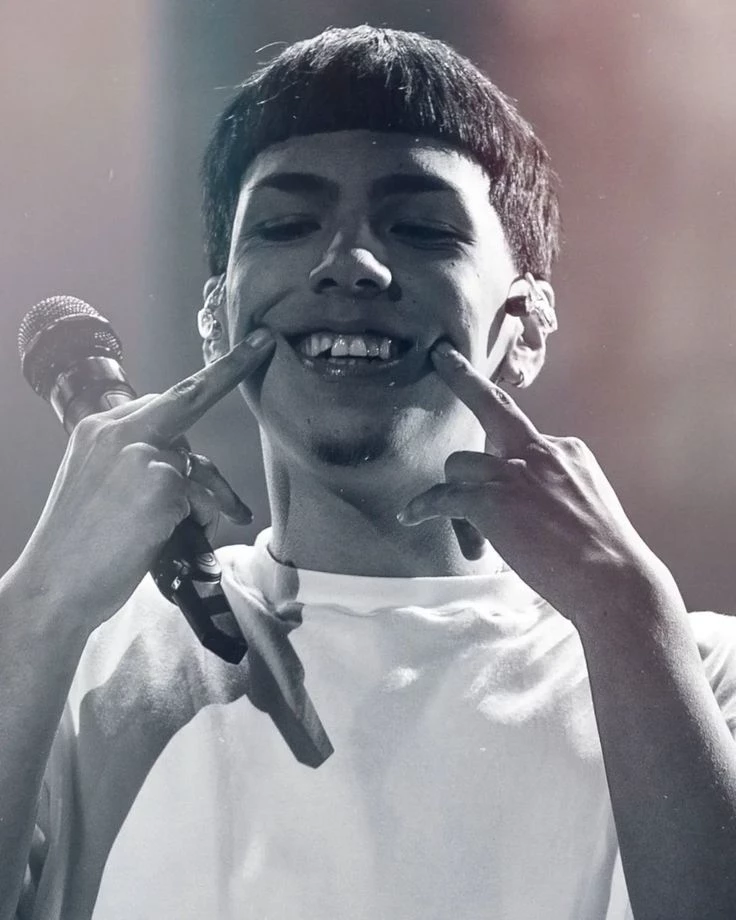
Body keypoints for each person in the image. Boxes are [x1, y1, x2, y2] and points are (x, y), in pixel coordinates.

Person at [2, 24, 736, 920]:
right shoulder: (75, 659)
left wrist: (626, 609)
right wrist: (39, 606)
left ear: (525, 328)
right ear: (217, 317)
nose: (348, 263)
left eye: (421, 228)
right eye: (286, 225)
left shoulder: (695, 669)